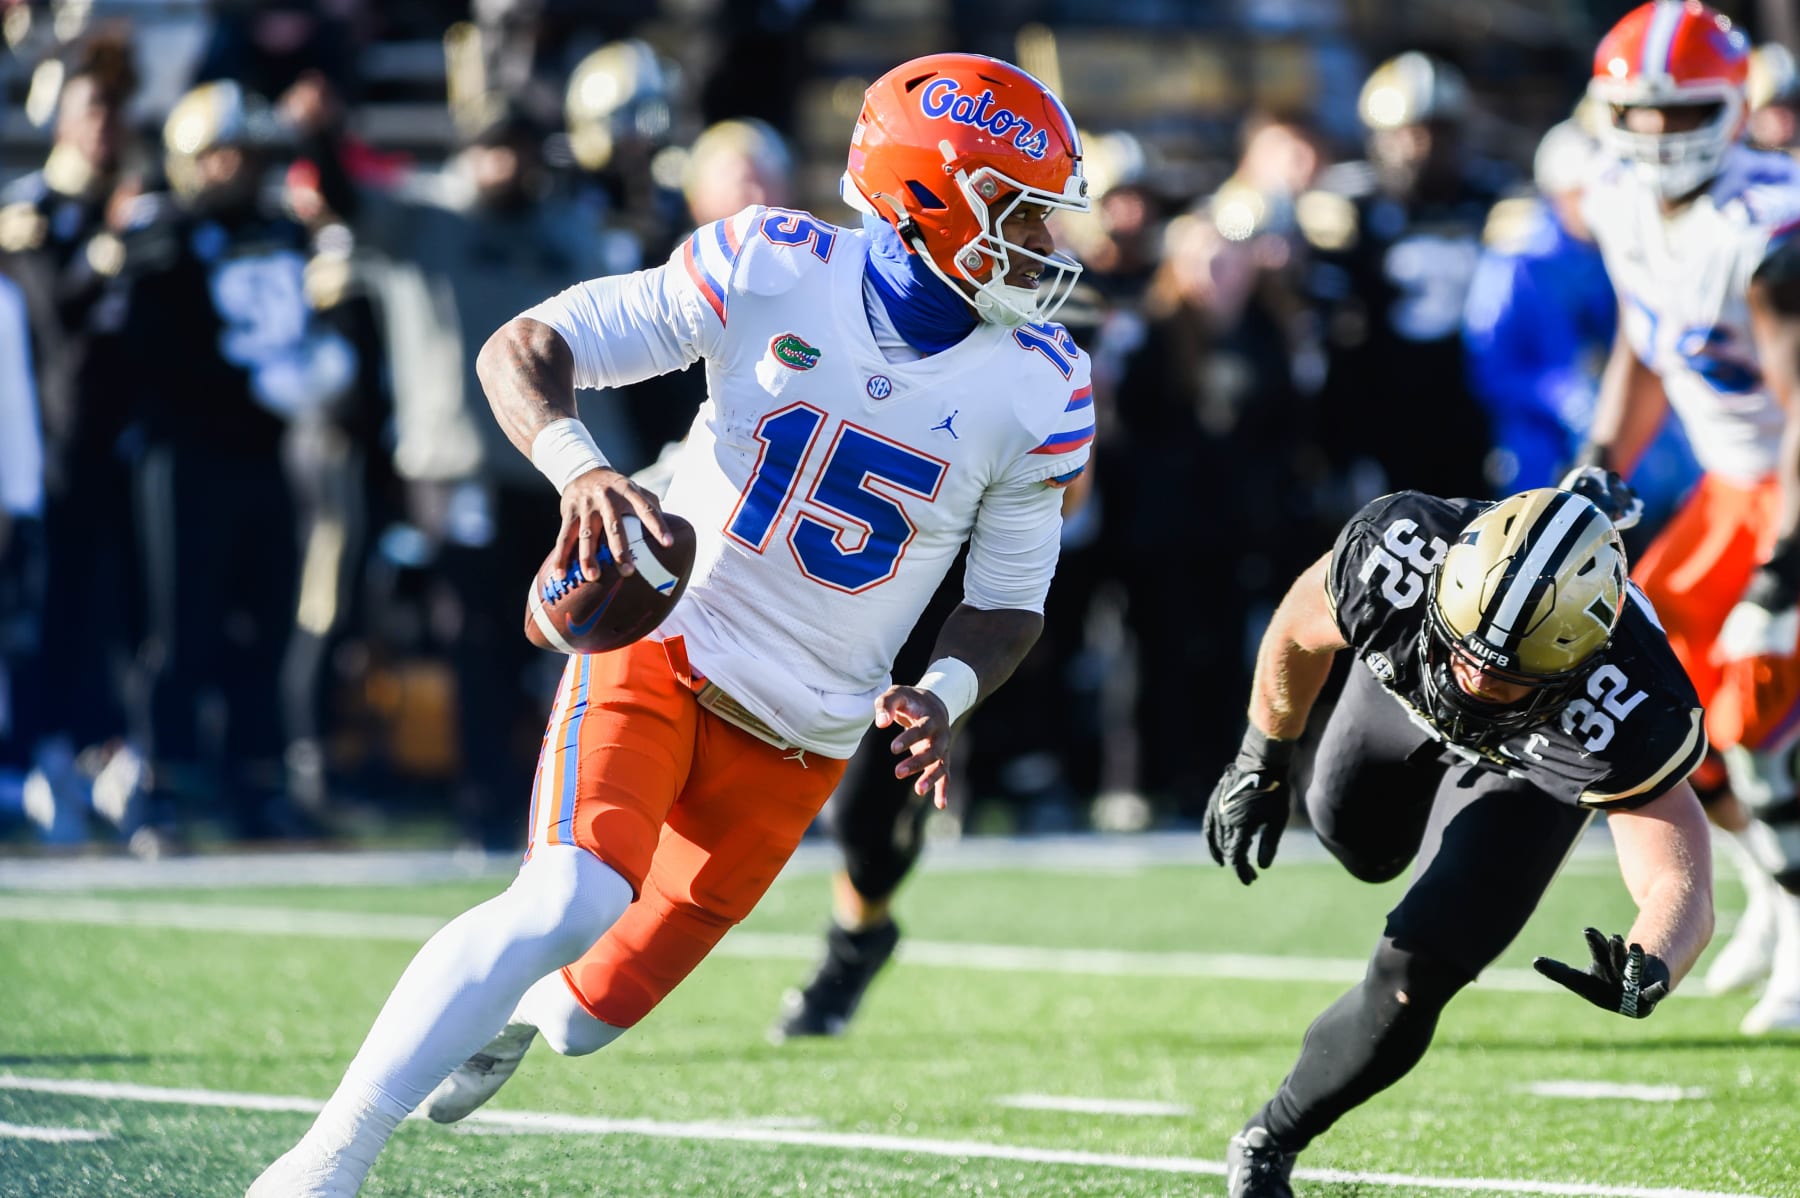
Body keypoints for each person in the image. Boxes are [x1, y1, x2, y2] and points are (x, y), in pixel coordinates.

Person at [248, 51, 1094, 1196]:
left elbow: (1009, 599)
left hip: (810, 727)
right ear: (926, 197)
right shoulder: (772, 263)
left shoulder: (1045, 382)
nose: (1046, 241)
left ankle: (509, 1011)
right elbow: (528, 345)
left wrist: (940, 694)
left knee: (582, 1016)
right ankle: (327, 1158)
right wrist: (582, 470)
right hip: (671, 636)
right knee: (568, 899)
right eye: (1022, 211)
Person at [1205, 485, 1714, 1198]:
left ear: (1576, 664)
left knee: (1414, 972)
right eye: (1461, 650)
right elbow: (1298, 624)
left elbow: (1680, 873)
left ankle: (1271, 1136)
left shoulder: (1625, 699)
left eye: (1504, 675)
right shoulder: (1398, 553)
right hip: (1401, 698)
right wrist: (1261, 759)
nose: (1472, 678)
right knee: (1353, 838)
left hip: (1529, 767)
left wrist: (1652, 959)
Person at [1572, 0, 1800, 1033]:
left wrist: (1782, 569)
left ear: (1733, 107)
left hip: (1788, 483)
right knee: (1662, 705)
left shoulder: (1767, 227)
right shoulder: (1619, 201)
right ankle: (1769, 897)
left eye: (1684, 111)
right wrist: (1598, 462)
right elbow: (1647, 336)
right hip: (1730, 486)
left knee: (1764, 719)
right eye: (1643, 112)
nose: (1660, 134)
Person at [1461, 118, 1698, 529]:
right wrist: (1559, 392)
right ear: (1560, 193)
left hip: (1633, 448)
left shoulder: (1623, 248)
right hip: (1541, 450)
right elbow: (1490, 367)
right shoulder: (1517, 260)